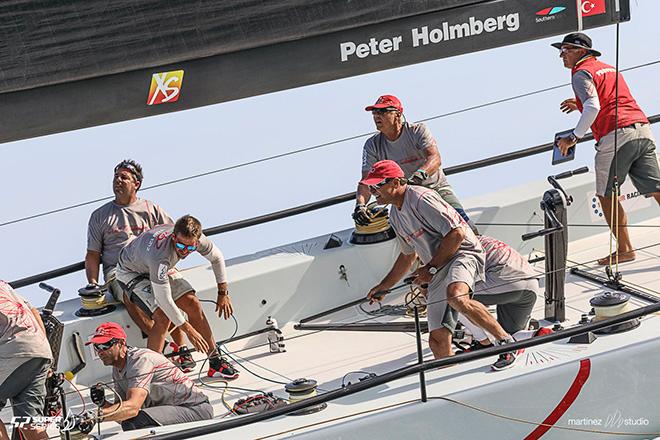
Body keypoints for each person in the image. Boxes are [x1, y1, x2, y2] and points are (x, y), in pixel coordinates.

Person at [364, 160, 521, 371]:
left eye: (378, 185)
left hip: (461, 253)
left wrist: (430, 269)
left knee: (456, 296)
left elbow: (456, 233)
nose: (373, 191)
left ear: (397, 181)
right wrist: (384, 286)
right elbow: (407, 256)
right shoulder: (394, 217)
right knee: (437, 339)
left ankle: (506, 342)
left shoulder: (421, 198)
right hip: (436, 267)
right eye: (371, 187)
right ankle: (447, 382)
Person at [553, 32, 660, 265]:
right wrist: (578, 102)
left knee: (606, 196)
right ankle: (625, 248)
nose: (561, 55)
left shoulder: (580, 73)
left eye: (566, 50)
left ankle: (625, 249)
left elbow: (593, 106)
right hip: (642, 128)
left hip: (616, 135)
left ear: (581, 52)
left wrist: (573, 137)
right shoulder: (608, 68)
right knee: (657, 188)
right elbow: (609, 99)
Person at [85, 159, 193, 370]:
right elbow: (92, 254)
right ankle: (165, 347)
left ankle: (181, 349)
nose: (118, 180)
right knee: (129, 296)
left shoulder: (152, 209)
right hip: (119, 270)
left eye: (124, 177)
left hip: (152, 263)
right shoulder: (99, 216)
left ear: (137, 184)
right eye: (116, 176)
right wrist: (92, 283)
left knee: (174, 293)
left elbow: (174, 237)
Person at [116, 215, 239, 379]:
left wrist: (223, 293)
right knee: (162, 316)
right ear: (173, 237)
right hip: (131, 272)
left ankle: (215, 361)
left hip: (156, 266)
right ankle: (149, 376)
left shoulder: (196, 240)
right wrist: (189, 330)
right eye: (180, 245)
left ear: (197, 241)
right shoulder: (160, 255)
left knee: (192, 303)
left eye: (190, 248)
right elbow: (164, 300)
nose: (184, 251)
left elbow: (217, 257)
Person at [354, 94, 477, 233]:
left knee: (466, 227)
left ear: (398, 114)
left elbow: (434, 158)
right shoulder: (372, 145)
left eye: (382, 111)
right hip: (404, 198)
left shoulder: (417, 130)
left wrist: (419, 176)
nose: (377, 116)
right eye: (374, 112)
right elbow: (366, 181)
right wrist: (360, 205)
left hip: (436, 189)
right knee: (413, 239)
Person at [83, 322, 213, 431]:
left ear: (121, 343)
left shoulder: (141, 360)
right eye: (96, 347)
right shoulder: (117, 369)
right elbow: (123, 415)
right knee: (130, 422)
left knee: (135, 422)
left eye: (105, 345)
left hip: (195, 409)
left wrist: (94, 416)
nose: (100, 351)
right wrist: (103, 404)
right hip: (176, 409)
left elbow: (132, 409)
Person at [458, 235, 539, 351]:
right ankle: (542, 334)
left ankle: (484, 343)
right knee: (512, 335)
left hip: (507, 284)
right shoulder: (486, 239)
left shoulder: (461, 245)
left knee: (453, 299)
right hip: (531, 285)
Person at [0, 280, 52, 440]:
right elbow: (34, 311)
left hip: (14, 350)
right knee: (29, 423)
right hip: (40, 349)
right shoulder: (3, 285)